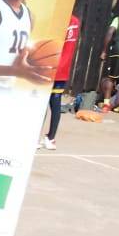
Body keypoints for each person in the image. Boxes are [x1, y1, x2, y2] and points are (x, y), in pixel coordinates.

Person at [40, 12, 81, 150]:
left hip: (49, 67)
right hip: (62, 69)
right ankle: (50, 138)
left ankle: (35, 137)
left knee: (42, 103)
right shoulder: (75, 21)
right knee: (55, 103)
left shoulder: (57, 19)